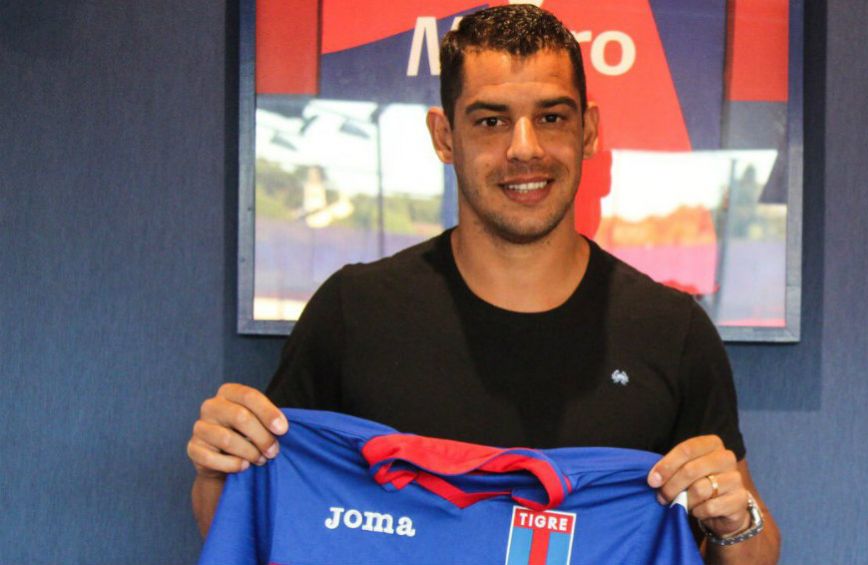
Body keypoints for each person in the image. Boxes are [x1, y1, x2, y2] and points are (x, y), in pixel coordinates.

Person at [187, 5, 780, 563]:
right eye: (491, 121)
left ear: (589, 130)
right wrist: (222, 469)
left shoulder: (670, 331)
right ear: (445, 136)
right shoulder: (355, 310)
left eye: (551, 117)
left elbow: (752, 549)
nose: (525, 149)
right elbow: (253, 529)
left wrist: (737, 519)